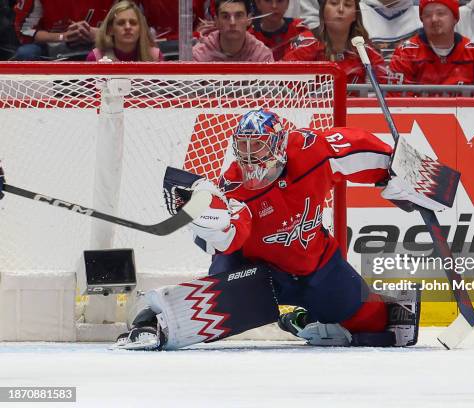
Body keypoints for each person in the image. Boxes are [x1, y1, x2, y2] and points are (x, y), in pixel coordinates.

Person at [116, 109, 426, 350]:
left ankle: (304, 320)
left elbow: (355, 146)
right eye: (244, 148)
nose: (250, 158)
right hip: (258, 274)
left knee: (373, 322)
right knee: (217, 291)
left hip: (317, 266)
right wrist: (204, 217)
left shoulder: (311, 152)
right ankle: (151, 319)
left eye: (259, 148)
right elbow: (229, 237)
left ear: (279, 145)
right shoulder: (234, 186)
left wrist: (395, 169)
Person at [389, 0, 474, 87]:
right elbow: (396, 104)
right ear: (421, 20)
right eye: (427, 15)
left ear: (455, 18)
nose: (434, 19)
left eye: (441, 13)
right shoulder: (405, 53)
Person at [283, 0, 389, 86]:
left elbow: (383, 94)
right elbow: (284, 87)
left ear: (355, 16)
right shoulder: (304, 47)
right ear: (322, 12)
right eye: (334, 3)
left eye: (347, 5)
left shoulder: (368, 53)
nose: (341, 9)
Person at [12, 0, 114, 60]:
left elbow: (128, 29)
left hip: (102, 45)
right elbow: (25, 29)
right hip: (52, 46)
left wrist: (99, 34)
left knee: (124, 44)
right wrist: (62, 36)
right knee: (26, 53)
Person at [192, 0, 273, 62]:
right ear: (216, 21)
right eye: (225, 16)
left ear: (249, 19)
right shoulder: (199, 55)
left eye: (238, 15)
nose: (232, 23)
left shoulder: (262, 56)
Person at [86, 1, 163, 62]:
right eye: (121, 23)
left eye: (133, 23)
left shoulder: (155, 56)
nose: (128, 27)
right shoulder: (95, 58)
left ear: (141, 29)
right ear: (110, 30)